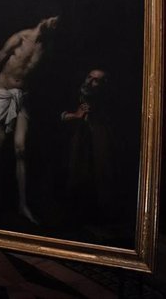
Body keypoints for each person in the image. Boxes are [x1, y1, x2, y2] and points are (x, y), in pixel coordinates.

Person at [0, 15, 59, 224]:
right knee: (0, 145)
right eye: (53, 18)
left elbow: (39, 76)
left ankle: (22, 205)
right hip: (1, 91)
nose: (54, 23)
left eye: (58, 21)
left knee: (21, 148)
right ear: (44, 17)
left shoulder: (47, 48)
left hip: (21, 96)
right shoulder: (20, 38)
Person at [58, 69, 124, 229]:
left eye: (95, 80)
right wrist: (75, 115)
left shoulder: (106, 105)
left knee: (99, 173)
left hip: (96, 144)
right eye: (89, 77)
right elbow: (59, 115)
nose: (89, 82)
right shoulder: (74, 94)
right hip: (74, 144)